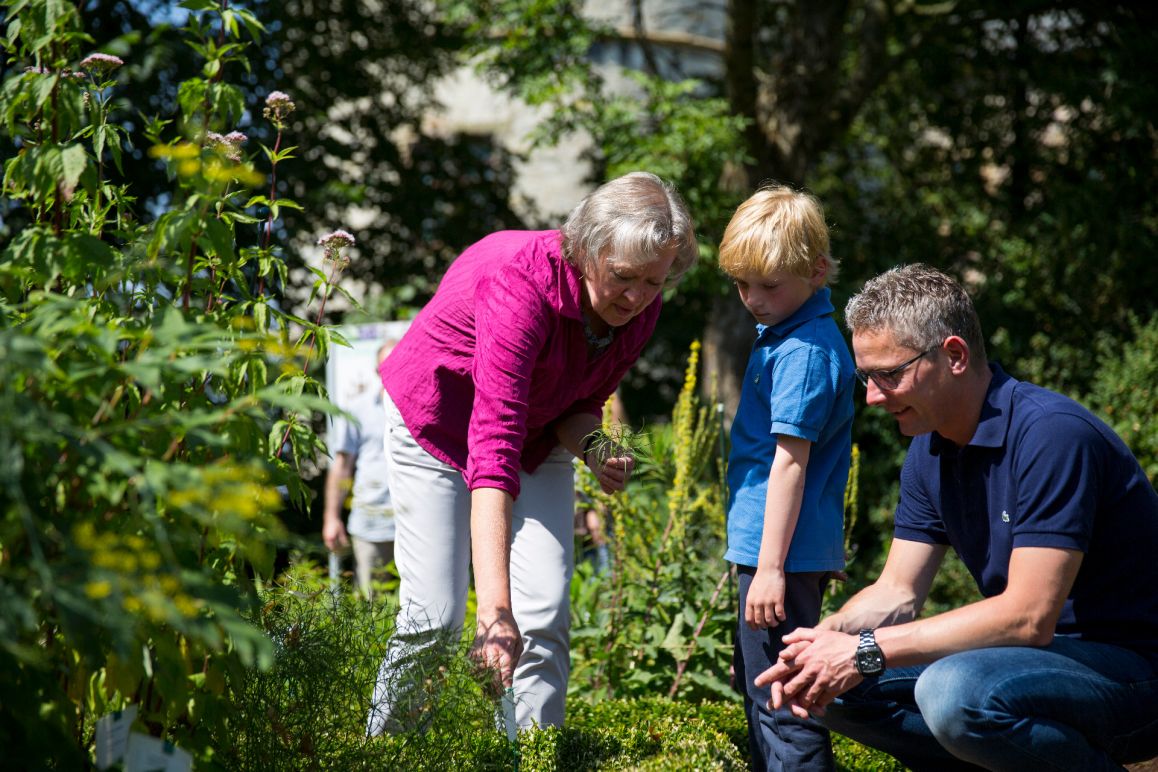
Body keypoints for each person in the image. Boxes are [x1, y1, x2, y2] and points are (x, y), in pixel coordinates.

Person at [755, 264, 1158, 771]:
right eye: (866, 377)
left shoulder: (1052, 436)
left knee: (954, 693)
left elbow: (1028, 617)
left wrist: (861, 652)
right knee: (831, 689)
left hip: (1133, 672)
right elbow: (897, 593)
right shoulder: (929, 449)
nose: (873, 397)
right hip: (1031, 666)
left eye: (890, 374)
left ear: (954, 355)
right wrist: (825, 640)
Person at [366, 171, 698, 734]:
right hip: (439, 426)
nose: (638, 297)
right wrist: (494, 612)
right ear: (588, 249)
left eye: (653, 283)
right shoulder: (520, 285)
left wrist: (595, 448)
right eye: (623, 278)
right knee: (436, 620)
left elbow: (583, 402)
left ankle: (531, 756)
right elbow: (492, 446)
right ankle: (384, 754)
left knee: (544, 613)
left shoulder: (639, 308)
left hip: (537, 431)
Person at [717, 185, 855, 771]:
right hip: (777, 550)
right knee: (762, 689)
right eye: (743, 284)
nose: (753, 299)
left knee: (783, 701)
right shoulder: (786, 336)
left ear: (817, 271)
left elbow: (791, 462)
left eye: (769, 285)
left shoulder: (802, 351)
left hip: (782, 557)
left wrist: (770, 568)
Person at [323, 341, 397, 598]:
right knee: (372, 608)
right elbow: (342, 468)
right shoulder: (359, 410)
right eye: (386, 367)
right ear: (377, 371)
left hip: (414, 524)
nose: (392, 372)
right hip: (371, 524)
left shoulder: (422, 408)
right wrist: (332, 518)